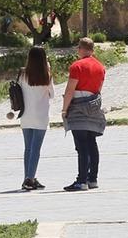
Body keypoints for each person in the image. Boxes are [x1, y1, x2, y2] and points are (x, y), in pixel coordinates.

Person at [61, 37, 106, 191]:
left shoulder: (77, 66)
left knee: (81, 145)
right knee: (92, 143)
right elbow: (99, 88)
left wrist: (64, 109)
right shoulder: (100, 67)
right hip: (93, 106)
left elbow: (70, 89)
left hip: (78, 108)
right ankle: (92, 178)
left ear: (80, 49)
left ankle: (81, 181)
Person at [19, 46, 56, 191]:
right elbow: (52, 95)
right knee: (36, 149)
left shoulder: (22, 74)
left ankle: (28, 178)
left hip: (25, 115)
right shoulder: (46, 75)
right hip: (41, 116)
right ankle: (30, 179)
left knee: (28, 148)